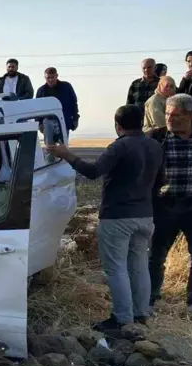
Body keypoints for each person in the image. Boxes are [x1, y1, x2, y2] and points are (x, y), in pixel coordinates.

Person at [47, 105, 163, 330]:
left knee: (117, 268)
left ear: (117, 125)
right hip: (145, 215)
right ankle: (140, 315)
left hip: (117, 216)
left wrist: (66, 155)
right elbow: (159, 180)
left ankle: (122, 319)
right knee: (139, 266)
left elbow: (93, 172)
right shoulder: (155, 146)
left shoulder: (119, 147)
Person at [147, 94, 192, 323]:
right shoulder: (156, 138)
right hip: (164, 206)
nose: (169, 119)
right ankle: (149, 297)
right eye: (167, 113)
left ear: (190, 115)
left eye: (175, 115)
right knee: (155, 255)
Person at [36, 67, 79, 133]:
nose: (50, 80)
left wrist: (75, 119)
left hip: (64, 120)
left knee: (63, 142)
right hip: (48, 122)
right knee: (49, 143)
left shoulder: (66, 87)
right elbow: (37, 108)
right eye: (48, 78)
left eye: (52, 77)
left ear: (56, 76)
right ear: (45, 78)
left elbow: (74, 103)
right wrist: (39, 123)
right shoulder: (41, 91)